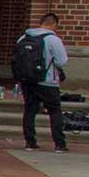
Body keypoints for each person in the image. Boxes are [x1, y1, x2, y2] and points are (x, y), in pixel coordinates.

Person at [17, 12, 70, 152]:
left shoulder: (24, 37)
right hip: (47, 80)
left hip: (27, 79)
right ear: (54, 24)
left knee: (30, 110)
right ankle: (59, 144)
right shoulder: (53, 39)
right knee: (55, 111)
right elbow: (62, 61)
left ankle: (30, 141)